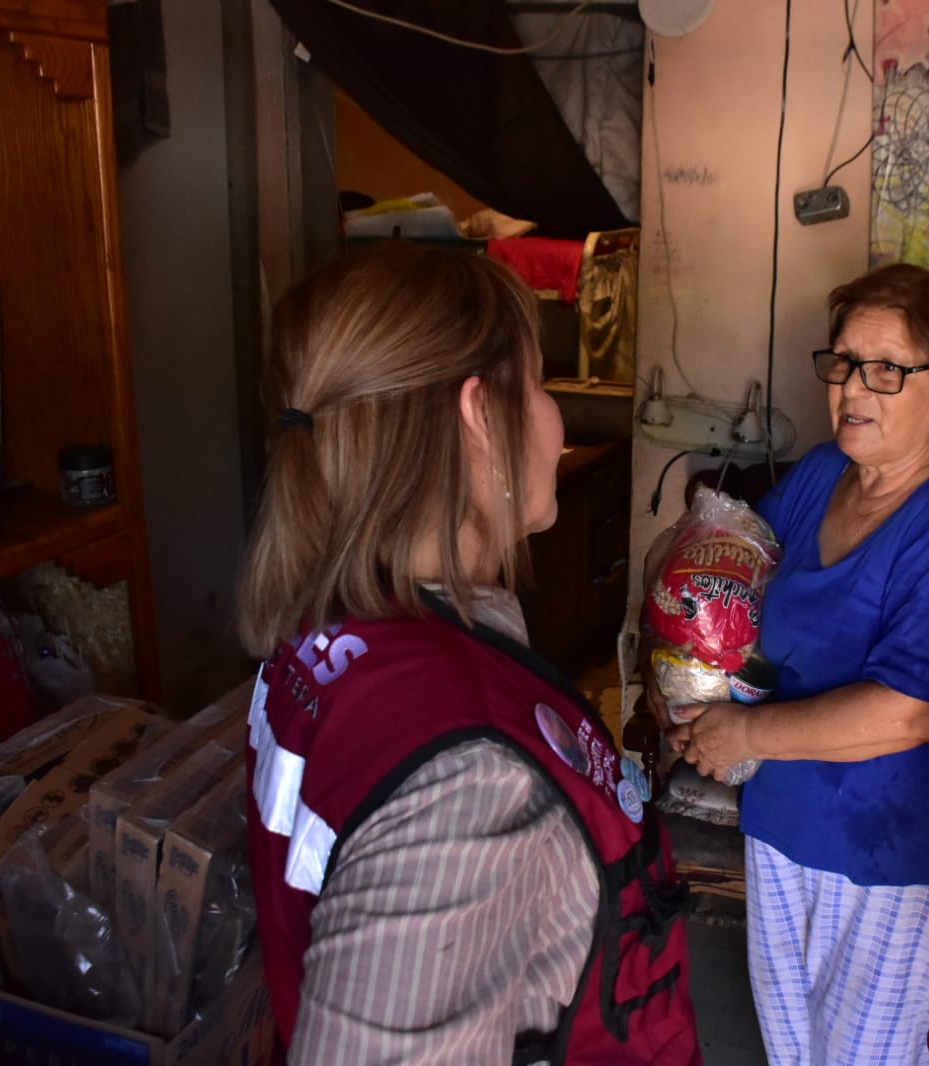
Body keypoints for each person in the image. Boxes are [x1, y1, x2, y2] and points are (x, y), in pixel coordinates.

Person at [237, 243, 701, 1065]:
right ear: (479, 415)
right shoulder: (471, 782)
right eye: (540, 383)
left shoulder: (332, 637)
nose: (554, 423)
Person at [667, 263, 929, 1065]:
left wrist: (748, 734)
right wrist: (688, 663)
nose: (851, 390)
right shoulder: (822, 477)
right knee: (793, 1052)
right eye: (841, 364)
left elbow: (914, 709)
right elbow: (734, 571)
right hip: (780, 826)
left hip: (887, 853)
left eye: (886, 370)